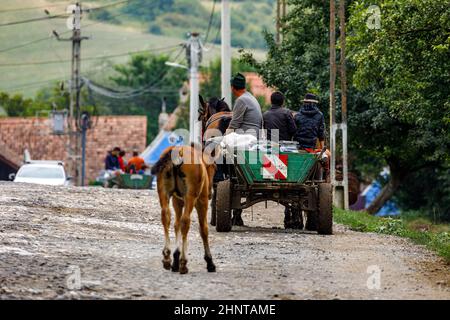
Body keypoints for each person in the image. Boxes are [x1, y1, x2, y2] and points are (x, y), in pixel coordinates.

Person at [227, 73, 263, 138]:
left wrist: (224, 137)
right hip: (255, 136)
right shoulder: (250, 97)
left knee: (212, 141)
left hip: (245, 138)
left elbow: (234, 124)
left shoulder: (241, 100)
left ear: (232, 87)